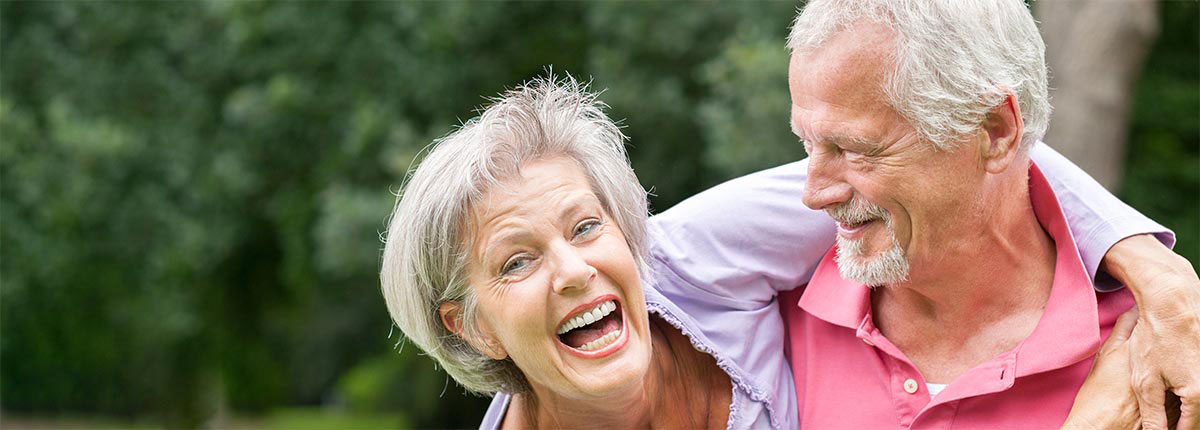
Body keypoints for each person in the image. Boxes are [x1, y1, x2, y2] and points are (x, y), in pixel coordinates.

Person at [380, 75, 1168, 430]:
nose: (574, 269)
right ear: (473, 326)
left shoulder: (688, 261)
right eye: (517, 262)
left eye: (586, 227)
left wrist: (1162, 280)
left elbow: (948, 151)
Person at [640, 0, 1198, 428]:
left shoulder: (1163, 358)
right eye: (807, 146)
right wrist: (1148, 259)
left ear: (996, 131)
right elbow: (645, 255)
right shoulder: (759, 314)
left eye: (855, 149)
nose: (811, 195)